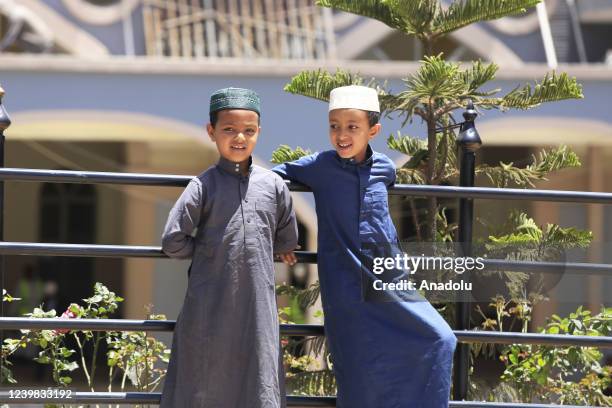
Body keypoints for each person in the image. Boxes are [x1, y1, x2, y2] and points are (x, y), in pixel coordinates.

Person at [273, 85, 457, 408]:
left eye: (352, 127)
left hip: (391, 282)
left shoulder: (385, 167)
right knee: (359, 373)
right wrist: (283, 231)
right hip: (347, 287)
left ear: (373, 131)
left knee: (441, 338)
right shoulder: (319, 167)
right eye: (334, 126)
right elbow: (273, 180)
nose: (341, 135)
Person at [160, 87, 298, 408]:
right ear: (211, 132)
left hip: (257, 307)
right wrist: (208, 250)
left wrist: (280, 247)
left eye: (249, 131)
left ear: (259, 133)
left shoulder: (275, 185)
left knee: (258, 376)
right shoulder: (203, 185)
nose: (239, 138)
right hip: (210, 304)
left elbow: (288, 237)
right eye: (229, 130)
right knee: (204, 379)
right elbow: (172, 239)